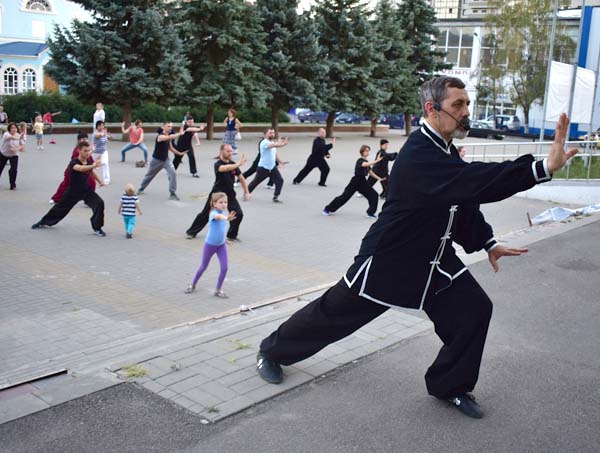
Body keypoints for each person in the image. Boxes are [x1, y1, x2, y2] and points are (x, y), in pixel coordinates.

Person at [254, 76, 577, 420]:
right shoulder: (419, 153)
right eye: (458, 105)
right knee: (332, 315)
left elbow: (462, 200)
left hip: (434, 259)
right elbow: (474, 181)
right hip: (390, 259)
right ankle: (271, 352)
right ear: (432, 109)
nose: (466, 112)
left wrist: (487, 242)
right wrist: (540, 168)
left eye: (467, 104)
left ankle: (450, 385)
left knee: (474, 310)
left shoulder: (444, 149)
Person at [32, 140, 107, 236]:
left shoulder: (88, 160)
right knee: (60, 209)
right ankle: (43, 222)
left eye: (89, 150)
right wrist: (93, 165)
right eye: (85, 151)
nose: (88, 153)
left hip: (86, 190)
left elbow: (91, 171)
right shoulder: (74, 162)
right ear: (79, 150)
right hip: (73, 192)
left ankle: (97, 228)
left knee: (99, 203)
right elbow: (81, 168)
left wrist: (100, 181)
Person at [186, 143, 250, 241]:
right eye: (228, 151)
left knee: (238, 214)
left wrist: (247, 191)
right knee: (205, 213)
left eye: (231, 151)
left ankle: (231, 236)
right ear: (221, 151)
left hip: (229, 194)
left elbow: (241, 178)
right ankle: (191, 232)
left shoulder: (233, 164)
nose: (230, 153)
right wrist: (237, 164)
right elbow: (224, 168)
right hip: (217, 194)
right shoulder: (218, 164)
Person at [185, 192, 236, 298]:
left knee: (224, 268)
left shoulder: (224, 215)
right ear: (214, 204)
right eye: (221, 202)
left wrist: (225, 240)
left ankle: (218, 290)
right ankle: (192, 284)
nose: (224, 204)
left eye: (225, 202)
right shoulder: (213, 213)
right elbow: (218, 217)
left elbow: (221, 229)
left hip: (221, 246)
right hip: (210, 245)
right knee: (203, 266)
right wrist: (226, 218)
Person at [322, 145, 383, 219]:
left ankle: (370, 213)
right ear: (362, 152)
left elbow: (370, 172)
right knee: (344, 197)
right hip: (355, 182)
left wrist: (379, 178)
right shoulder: (360, 160)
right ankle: (327, 209)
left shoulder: (366, 161)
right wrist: (376, 161)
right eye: (366, 151)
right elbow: (364, 164)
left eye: (368, 151)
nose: (367, 152)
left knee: (374, 195)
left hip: (363, 182)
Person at [137, 121, 185, 200]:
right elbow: (169, 137)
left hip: (166, 160)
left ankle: (172, 193)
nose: (170, 128)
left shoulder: (168, 136)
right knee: (149, 175)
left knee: (173, 173)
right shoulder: (160, 136)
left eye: (171, 126)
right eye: (168, 126)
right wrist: (179, 134)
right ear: (163, 127)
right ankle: (141, 188)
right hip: (156, 160)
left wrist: (179, 153)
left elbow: (170, 148)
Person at [50, 132, 96, 204]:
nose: (85, 140)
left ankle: (89, 200)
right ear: (79, 141)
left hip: (84, 171)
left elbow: (89, 159)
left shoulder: (87, 149)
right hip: (73, 171)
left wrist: (94, 164)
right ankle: (55, 199)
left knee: (92, 183)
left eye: (86, 139)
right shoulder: (77, 149)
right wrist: (91, 151)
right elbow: (77, 160)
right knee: (65, 185)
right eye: (83, 139)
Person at [247, 128, 289, 203]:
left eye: (273, 133)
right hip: (263, 168)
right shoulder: (264, 142)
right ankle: (246, 193)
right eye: (270, 133)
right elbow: (275, 145)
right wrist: (282, 144)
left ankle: (275, 197)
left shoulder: (271, 142)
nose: (272, 134)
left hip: (272, 167)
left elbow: (274, 153)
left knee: (280, 180)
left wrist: (280, 162)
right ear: (265, 134)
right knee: (255, 182)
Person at [0, 122, 25, 190]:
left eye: (15, 128)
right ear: (9, 129)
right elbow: (11, 137)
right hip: (4, 154)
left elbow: (23, 146)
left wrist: (17, 148)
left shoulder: (18, 135)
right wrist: (19, 138)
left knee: (14, 170)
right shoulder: (6, 134)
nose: (14, 129)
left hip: (14, 155)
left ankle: (12, 184)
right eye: (12, 128)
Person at [93, 121, 111, 185]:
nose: (101, 127)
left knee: (105, 164)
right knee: (91, 165)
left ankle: (106, 180)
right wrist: (104, 133)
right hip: (96, 152)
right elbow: (99, 135)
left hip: (104, 152)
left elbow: (106, 138)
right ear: (97, 127)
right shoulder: (95, 133)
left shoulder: (103, 132)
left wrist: (108, 137)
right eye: (100, 125)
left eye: (102, 125)